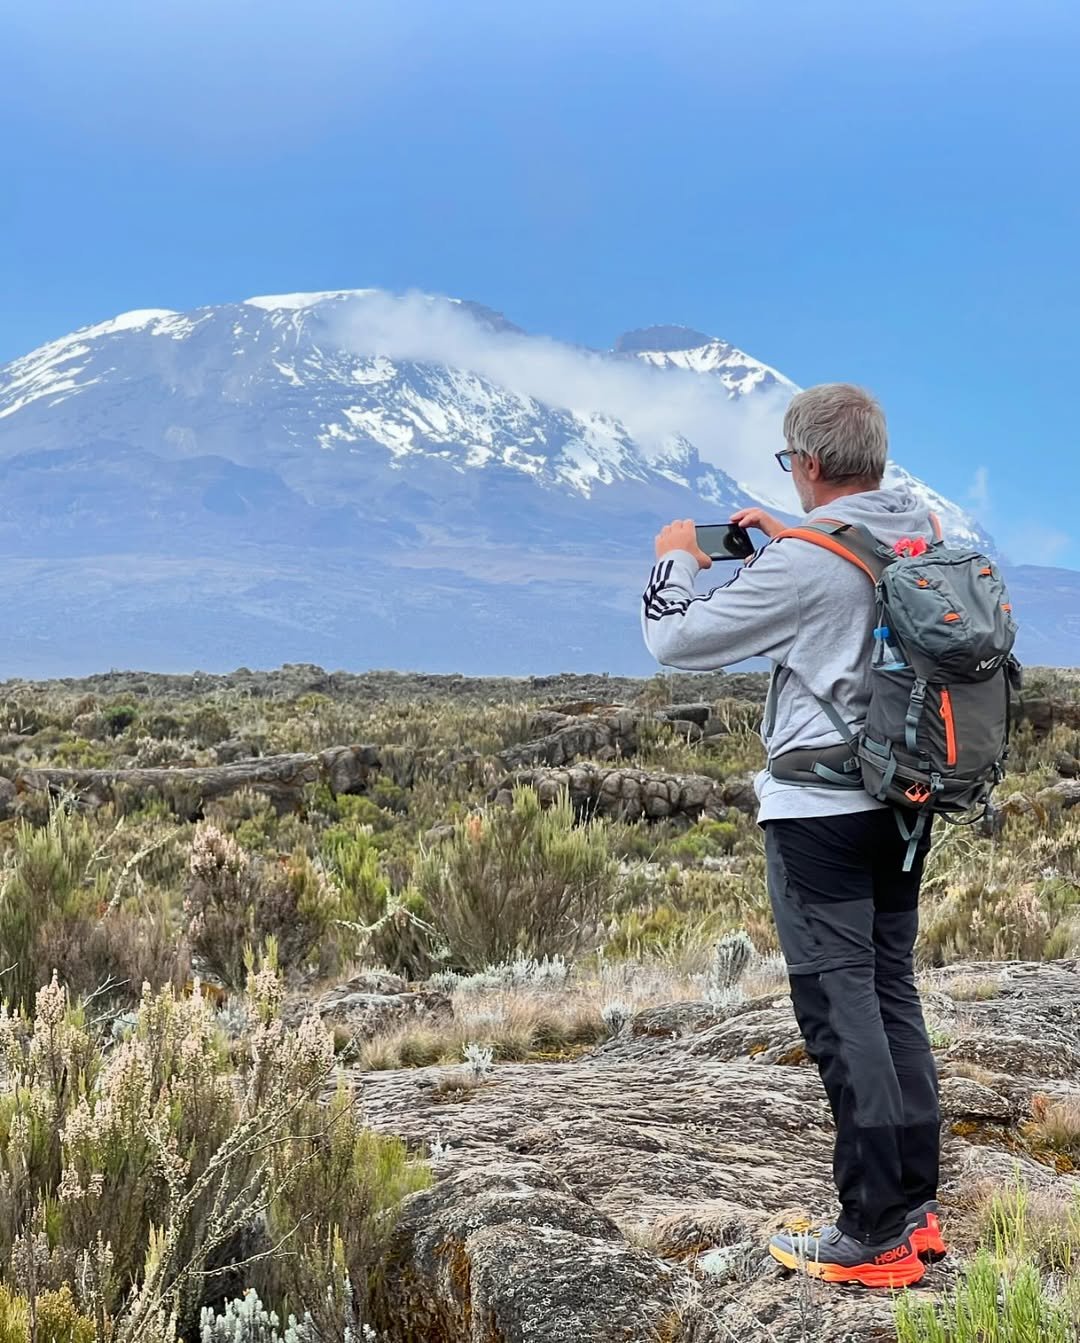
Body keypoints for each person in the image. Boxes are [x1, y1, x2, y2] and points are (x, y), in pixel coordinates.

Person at [641, 383, 943, 1288]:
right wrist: (794, 530)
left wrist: (677, 560)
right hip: (904, 802)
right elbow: (844, 576)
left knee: (838, 1006)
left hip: (820, 815)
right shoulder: (915, 527)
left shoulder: (807, 562)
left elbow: (674, 643)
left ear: (809, 464)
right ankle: (915, 1213)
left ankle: (872, 1232)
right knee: (891, 990)